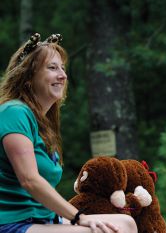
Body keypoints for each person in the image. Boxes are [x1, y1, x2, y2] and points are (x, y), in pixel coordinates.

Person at [0, 33, 137, 233]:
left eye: (63, 68)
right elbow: (29, 180)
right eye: (52, 68)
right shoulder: (14, 113)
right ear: (28, 77)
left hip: (42, 219)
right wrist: (78, 217)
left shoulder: (43, 124)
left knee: (126, 224)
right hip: (12, 223)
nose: (63, 75)